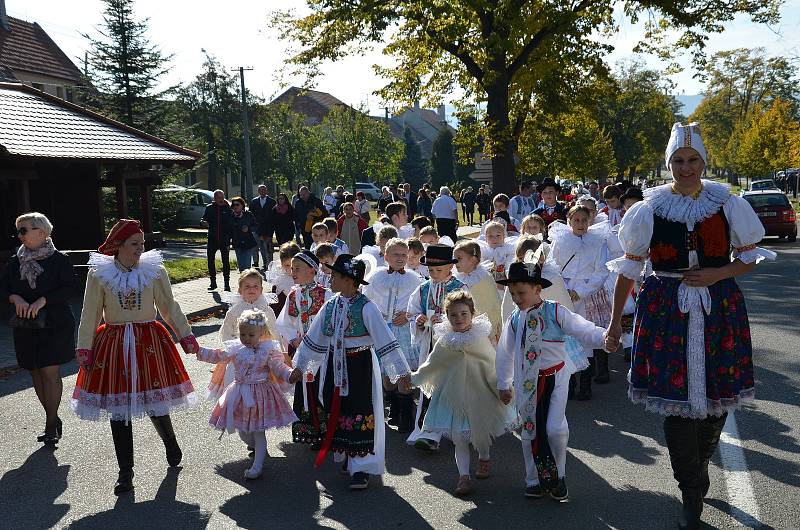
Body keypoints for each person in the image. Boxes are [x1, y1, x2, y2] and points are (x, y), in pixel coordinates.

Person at [605, 122, 775, 529]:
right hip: (665, 309)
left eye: (692, 160)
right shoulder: (647, 210)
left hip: (719, 307)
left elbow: (750, 257)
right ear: (669, 164)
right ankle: (690, 488)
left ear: (703, 161)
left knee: (718, 397)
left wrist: (718, 275)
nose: (685, 168)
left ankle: (697, 468)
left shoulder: (726, 203)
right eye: (678, 161)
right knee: (675, 401)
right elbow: (629, 270)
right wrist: (613, 325)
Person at [71, 219, 198, 495]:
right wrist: (85, 346)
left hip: (148, 341)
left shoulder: (154, 271)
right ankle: (125, 473)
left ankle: (171, 443)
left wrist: (185, 334)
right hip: (114, 343)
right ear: (119, 246)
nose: (141, 248)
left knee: (155, 400)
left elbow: (169, 306)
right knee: (119, 410)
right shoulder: (99, 274)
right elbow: (90, 312)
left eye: (142, 243)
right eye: (134, 244)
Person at [289, 254, 412, 490]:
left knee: (359, 410)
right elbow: (315, 337)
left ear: (348, 280)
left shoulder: (366, 307)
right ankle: (348, 454)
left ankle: (362, 467)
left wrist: (401, 373)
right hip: (334, 363)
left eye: (334, 275)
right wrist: (300, 367)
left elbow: (386, 341)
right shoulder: (332, 304)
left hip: (359, 365)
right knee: (339, 406)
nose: (330, 278)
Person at [495, 259, 609, 501]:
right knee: (529, 431)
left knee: (555, 429)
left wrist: (604, 337)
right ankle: (533, 480)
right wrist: (504, 384)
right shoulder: (515, 319)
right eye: (513, 293)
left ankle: (559, 477)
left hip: (556, 378)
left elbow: (582, 328)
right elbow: (505, 353)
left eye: (521, 292)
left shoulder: (555, 311)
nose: (516, 298)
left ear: (538, 289)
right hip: (527, 382)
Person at [400, 291, 514, 496]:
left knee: (481, 429)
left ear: (472, 314)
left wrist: (503, 388)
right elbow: (431, 365)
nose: (459, 319)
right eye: (453, 315)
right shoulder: (445, 341)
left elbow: (491, 366)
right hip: (452, 397)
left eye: (463, 314)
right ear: (447, 316)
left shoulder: (480, 339)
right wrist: (413, 379)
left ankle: (484, 457)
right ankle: (464, 477)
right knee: (459, 439)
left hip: (480, 394)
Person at [192, 309, 296, 479]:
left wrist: (289, 374)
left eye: (251, 335)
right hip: (239, 394)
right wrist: (199, 350)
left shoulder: (269, 350)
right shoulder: (236, 349)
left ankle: (257, 466)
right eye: (243, 334)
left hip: (261, 394)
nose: (246, 338)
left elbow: (279, 367)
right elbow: (218, 355)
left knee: (258, 430)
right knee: (243, 430)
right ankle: (254, 447)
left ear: (261, 333)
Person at [1, 212, 77, 446]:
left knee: (49, 372)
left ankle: (50, 424)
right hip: (26, 325)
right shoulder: (15, 262)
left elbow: (71, 288)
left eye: (24, 230)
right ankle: (52, 418)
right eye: (18, 231)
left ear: (42, 232)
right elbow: (2, 289)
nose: (20, 235)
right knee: (34, 371)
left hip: (55, 323)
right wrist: (15, 298)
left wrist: (43, 300)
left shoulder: (59, 260)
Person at [547, 206, 610, 401]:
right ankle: (569, 382)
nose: (581, 224)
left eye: (584, 220)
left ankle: (585, 384)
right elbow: (551, 266)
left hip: (586, 294)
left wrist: (581, 291)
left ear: (590, 220)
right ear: (569, 221)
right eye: (576, 220)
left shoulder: (598, 241)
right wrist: (562, 289)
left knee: (585, 335)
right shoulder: (560, 240)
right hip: (563, 292)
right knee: (565, 335)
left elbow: (601, 270)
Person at [406, 244, 466, 451]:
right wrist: (418, 319)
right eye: (431, 270)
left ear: (450, 267)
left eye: (439, 270)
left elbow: (468, 314)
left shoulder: (460, 289)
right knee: (429, 384)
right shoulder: (423, 288)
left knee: (452, 387)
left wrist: (449, 321)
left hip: (452, 347)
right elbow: (411, 311)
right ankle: (428, 431)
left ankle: (458, 429)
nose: (434, 274)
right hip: (429, 344)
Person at [363, 238, 424, 433]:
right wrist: (375, 315)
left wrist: (407, 316)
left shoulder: (414, 278)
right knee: (388, 376)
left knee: (403, 372)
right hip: (382, 330)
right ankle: (394, 404)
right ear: (386, 256)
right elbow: (366, 300)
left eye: (404, 255)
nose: (400, 258)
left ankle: (406, 413)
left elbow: (420, 305)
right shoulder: (375, 277)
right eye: (396, 254)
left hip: (403, 331)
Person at [276, 250, 331, 446]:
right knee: (306, 387)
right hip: (304, 351)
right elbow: (284, 322)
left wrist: (321, 340)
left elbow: (330, 322)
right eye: (292, 269)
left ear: (312, 270)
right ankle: (311, 430)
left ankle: (326, 432)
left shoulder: (326, 294)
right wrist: (294, 340)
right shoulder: (294, 294)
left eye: (297, 268)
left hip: (323, 352)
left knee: (322, 387)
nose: (293, 272)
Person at [208, 269, 280, 401]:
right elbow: (226, 333)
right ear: (240, 290)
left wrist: (272, 350)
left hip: (261, 358)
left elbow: (273, 331)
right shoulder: (234, 311)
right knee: (235, 391)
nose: (251, 289)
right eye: (247, 286)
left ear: (261, 289)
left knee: (262, 392)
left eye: (255, 286)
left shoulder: (266, 310)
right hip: (239, 357)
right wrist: (236, 348)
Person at [453, 240, 502, 343]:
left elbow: (489, 303)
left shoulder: (482, 278)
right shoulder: (457, 278)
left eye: (459, 258)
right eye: (454, 258)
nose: (455, 262)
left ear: (473, 260)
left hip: (482, 323)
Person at [201, 189, 234, 291]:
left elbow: (231, 226)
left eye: (221, 197)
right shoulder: (209, 208)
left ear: (224, 197)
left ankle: (226, 284)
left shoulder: (229, 209)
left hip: (224, 240)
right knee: (210, 261)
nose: (220, 199)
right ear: (214, 198)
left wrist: (229, 241)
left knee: (225, 262)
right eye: (218, 197)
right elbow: (203, 219)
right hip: (212, 239)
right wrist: (203, 222)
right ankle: (213, 283)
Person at [265, 241, 300, 317]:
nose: (290, 269)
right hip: (281, 314)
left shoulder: (302, 278)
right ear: (281, 263)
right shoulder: (279, 279)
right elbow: (275, 302)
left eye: (293, 265)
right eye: (287, 265)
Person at [250, 185, 276, 269]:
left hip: (268, 228)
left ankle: (270, 264)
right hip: (257, 228)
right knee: (259, 246)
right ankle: (263, 263)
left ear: (266, 191)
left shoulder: (272, 202)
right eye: (260, 190)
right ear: (258, 191)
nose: (262, 191)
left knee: (268, 247)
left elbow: (274, 216)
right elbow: (251, 214)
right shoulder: (254, 201)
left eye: (264, 190)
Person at [230, 197, 259, 272]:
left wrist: (248, 228)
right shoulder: (231, 216)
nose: (235, 206)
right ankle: (243, 282)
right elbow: (228, 230)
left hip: (248, 243)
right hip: (237, 243)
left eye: (237, 204)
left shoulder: (248, 214)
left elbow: (255, 226)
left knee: (246, 266)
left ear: (242, 205)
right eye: (233, 205)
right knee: (241, 266)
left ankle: (248, 282)